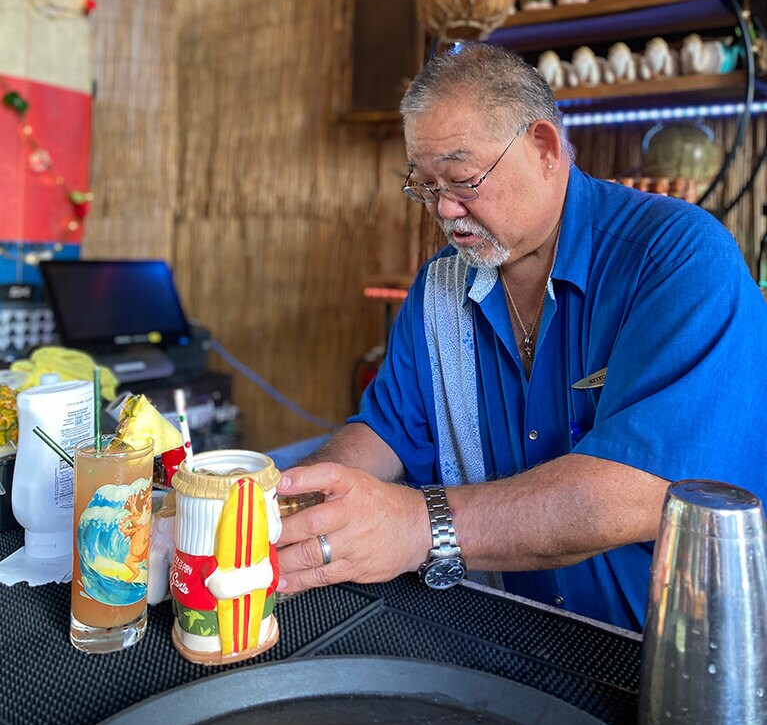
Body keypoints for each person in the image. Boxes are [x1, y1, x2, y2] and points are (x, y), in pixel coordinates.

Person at [275, 42, 767, 631]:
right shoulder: (441, 287)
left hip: (664, 652)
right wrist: (296, 501)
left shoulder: (677, 259)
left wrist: (416, 526)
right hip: (505, 630)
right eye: (425, 186)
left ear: (544, 148)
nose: (445, 209)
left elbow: (638, 491)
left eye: (462, 179)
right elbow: (385, 432)